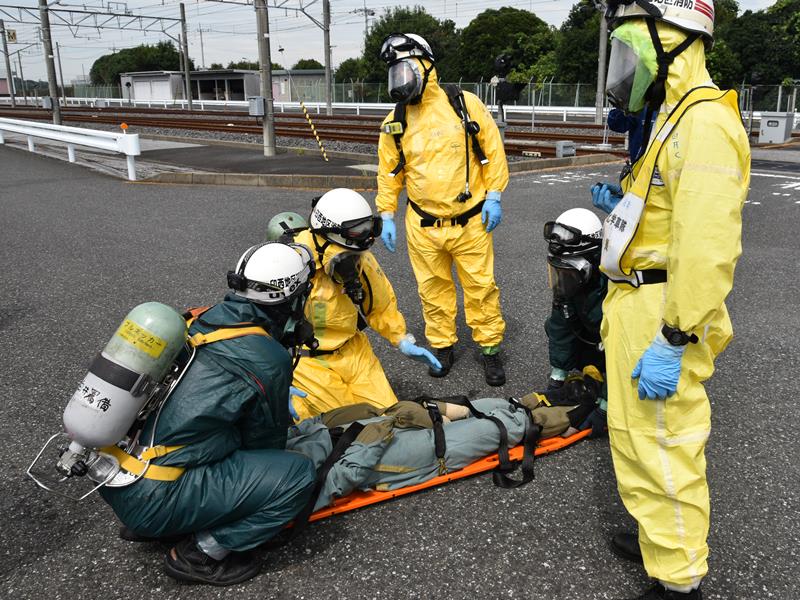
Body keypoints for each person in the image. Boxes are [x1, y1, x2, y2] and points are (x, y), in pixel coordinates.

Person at [595, 2, 751, 599]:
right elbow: (666, 210)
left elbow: (708, 246)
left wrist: (675, 335)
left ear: (678, 40)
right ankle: (657, 535)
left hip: (665, 311)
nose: (626, 62)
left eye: (634, 44)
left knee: (665, 441)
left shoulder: (704, 121)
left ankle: (680, 579)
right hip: (636, 301)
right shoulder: (674, 114)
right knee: (635, 435)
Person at [100, 242, 319, 586]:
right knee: (296, 475)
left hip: (116, 476)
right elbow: (265, 444)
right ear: (291, 295)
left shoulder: (200, 321)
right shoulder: (265, 357)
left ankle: (171, 518)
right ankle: (200, 554)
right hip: (154, 500)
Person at [375, 33, 510, 386]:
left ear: (425, 65)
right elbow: (390, 169)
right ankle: (442, 346)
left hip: (470, 221)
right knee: (432, 290)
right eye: (394, 73)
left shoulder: (462, 104)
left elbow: (492, 150)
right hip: (422, 224)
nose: (399, 80)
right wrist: (386, 213)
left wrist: (494, 194)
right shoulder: (397, 118)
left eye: (404, 69)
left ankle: (490, 351)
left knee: (481, 288)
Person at [287, 188, 441, 421]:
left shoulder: (359, 257)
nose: (364, 239)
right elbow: (262, 322)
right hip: (309, 360)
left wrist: (401, 339)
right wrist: (273, 376)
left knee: (391, 419)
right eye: (357, 232)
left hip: (354, 351)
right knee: (348, 428)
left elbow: (381, 305)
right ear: (328, 232)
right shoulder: (289, 263)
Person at [542, 208, 609, 437]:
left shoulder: (615, 286)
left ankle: (611, 391)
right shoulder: (569, 282)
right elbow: (561, 329)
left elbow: (628, 349)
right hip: (595, 338)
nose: (562, 279)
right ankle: (596, 375)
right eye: (557, 269)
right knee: (553, 324)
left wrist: (606, 407)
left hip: (620, 348)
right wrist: (557, 377)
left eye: (569, 271)